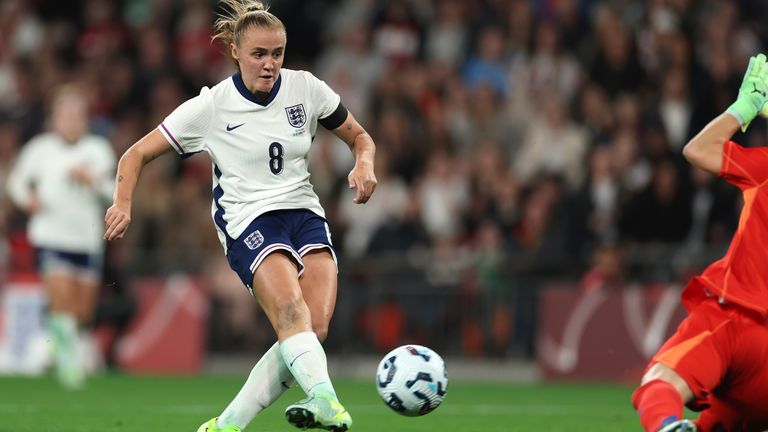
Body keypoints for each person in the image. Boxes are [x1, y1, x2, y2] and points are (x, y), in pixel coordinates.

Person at [103, 1, 376, 431]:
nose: (270, 64)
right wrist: (123, 202)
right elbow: (135, 154)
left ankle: (226, 426)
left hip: (303, 213)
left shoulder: (306, 88)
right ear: (235, 51)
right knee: (290, 311)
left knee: (312, 330)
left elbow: (360, 137)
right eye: (259, 54)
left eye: (278, 53)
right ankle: (326, 399)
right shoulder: (211, 106)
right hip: (248, 221)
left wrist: (363, 163)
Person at [631, 53, 768, 432]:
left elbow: (697, 150)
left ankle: (666, 426)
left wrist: (746, 107)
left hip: (737, 318)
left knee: (658, 385)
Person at [6, 85, 116, 388]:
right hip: (50, 235)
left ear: (85, 119)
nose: (70, 120)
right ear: (54, 118)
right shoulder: (40, 149)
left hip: (87, 238)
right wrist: (27, 199)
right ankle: (69, 368)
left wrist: (91, 180)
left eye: (76, 114)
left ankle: (57, 342)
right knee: (61, 297)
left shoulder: (97, 150)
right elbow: (16, 182)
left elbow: (113, 193)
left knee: (82, 313)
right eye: (64, 114)